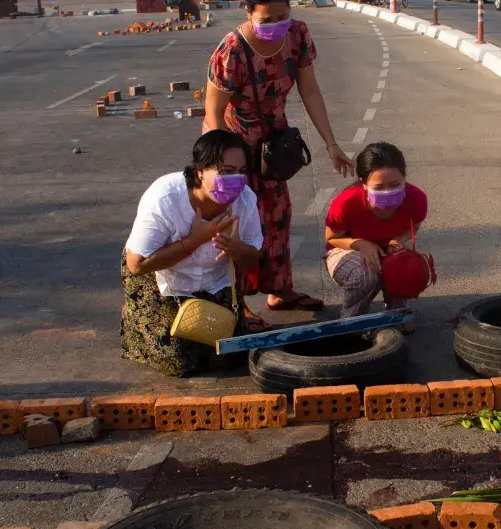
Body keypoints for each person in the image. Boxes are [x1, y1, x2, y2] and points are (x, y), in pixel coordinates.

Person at [203, 0, 355, 328]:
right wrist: (223, 166)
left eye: (282, 16)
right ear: (248, 13)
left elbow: (310, 89)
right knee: (239, 223)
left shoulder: (298, 35)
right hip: (234, 149)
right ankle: (236, 301)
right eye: (266, 19)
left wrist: (331, 144)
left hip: (273, 147)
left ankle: (280, 290)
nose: (276, 25)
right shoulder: (232, 51)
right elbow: (213, 112)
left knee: (278, 218)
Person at [121, 130, 264, 378]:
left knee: (233, 354)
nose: (236, 180)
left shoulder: (246, 200)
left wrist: (237, 248)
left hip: (213, 280)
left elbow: (253, 257)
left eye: (241, 171)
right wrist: (195, 240)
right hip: (161, 279)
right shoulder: (165, 198)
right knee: (179, 361)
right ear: (200, 171)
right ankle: (136, 325)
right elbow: (138, 264)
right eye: (226, 171)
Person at [324, 143, 427, 327]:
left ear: (404, 177)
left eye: (395, 184)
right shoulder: (346, 203)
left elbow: (414, 227)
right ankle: (351, 322)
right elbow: (332, 238)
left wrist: (398, 240)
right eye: (379, 187)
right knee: (367, 274)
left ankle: (398, 311)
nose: (388, 191)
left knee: (405, 266)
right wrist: (361, 244)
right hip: (345, 249)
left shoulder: (416, 198)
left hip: (388, 248)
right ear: (363, 183)